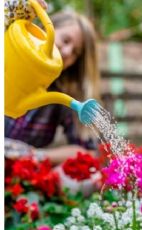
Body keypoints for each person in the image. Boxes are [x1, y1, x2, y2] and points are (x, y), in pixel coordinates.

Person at [5, 0, 101, 165]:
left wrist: (33, 154)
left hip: (18, 174)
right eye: (65, 40)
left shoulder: (64, 94)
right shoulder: (10, 46)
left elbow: (89, 151)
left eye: (76, 53)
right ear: (45, 29)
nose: (67, 51)